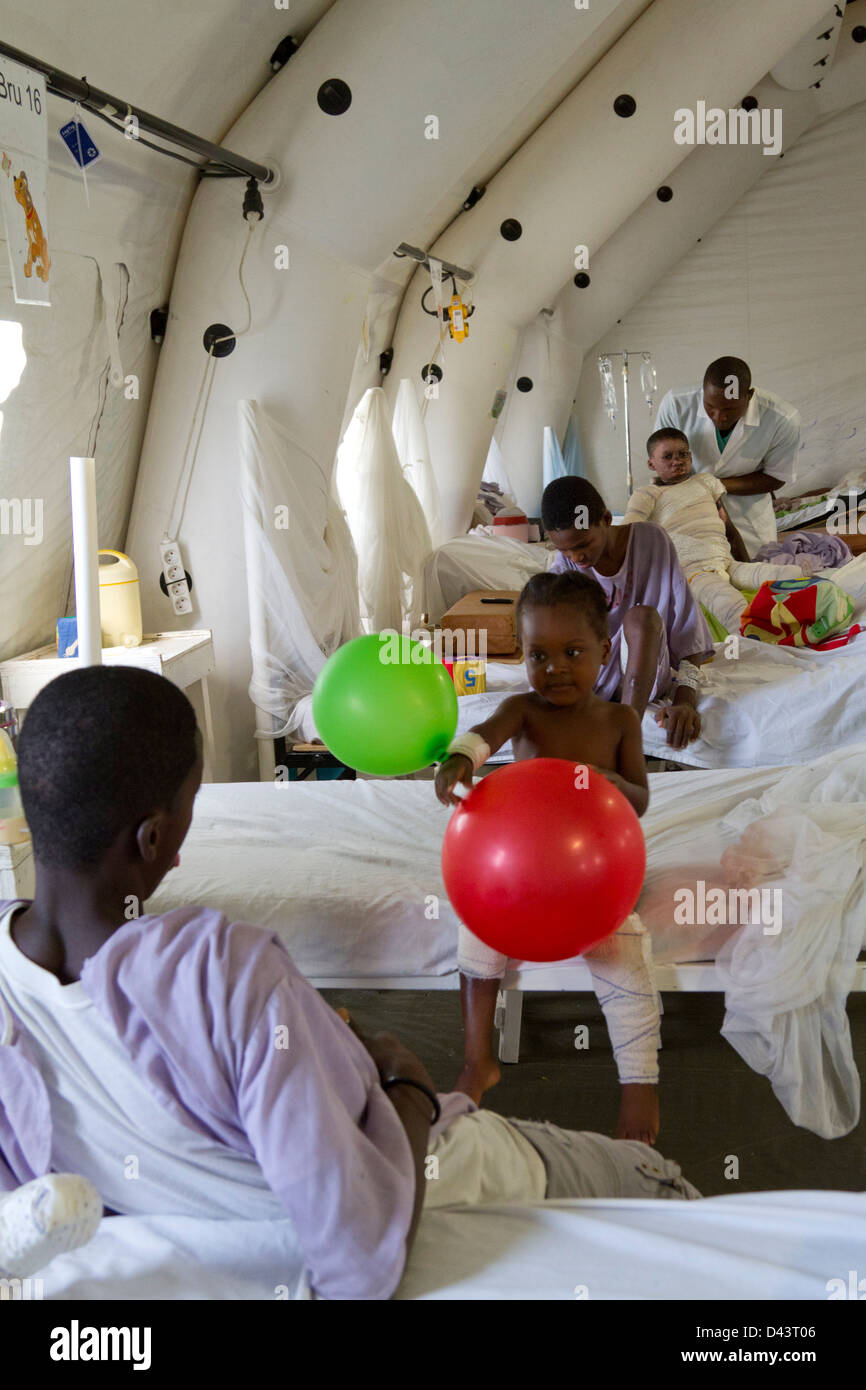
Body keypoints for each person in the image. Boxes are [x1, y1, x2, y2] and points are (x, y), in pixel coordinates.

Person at [0, 668, 700, 1301]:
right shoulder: (224, 972)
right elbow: (358, 1259)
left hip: (244, 1196)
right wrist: (407, 1088)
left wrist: (305, 1038)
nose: (185, 846)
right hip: (438, 1165)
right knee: (652, 1185)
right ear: (154, 839)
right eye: (188, 809)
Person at [436, 570, 662, 1145]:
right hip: (521, 882)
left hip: (595, 883)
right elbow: (483, 735)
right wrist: (459, 761)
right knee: (475, 934)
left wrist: (605, 780)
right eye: (539, 654)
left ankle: (639, 1082)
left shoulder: (619, 721)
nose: (555, 667)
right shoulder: (523, 710)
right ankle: (477, 1057)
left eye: (573, 652)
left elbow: (638, 799)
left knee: (623, 954)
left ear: (606, 652)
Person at [542, 474, 713, 751]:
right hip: (592, 676)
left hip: (643, 671)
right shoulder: (565, 567)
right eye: (565, 550)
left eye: (583, 545)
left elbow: (687, 627)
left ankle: (627, 728)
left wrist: (684, 700)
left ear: (607, 519)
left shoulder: (651, 541)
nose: (577, 558)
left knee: (642, 617)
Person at [625, 429, 809, 635]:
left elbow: (728, 528)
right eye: (667, 456)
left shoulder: (705, 482)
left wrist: (745, 561)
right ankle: (752, 646)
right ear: (651, 464)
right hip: (691, 571)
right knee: (728, 602)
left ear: (690, 456)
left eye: (683, 454)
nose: (677, 461)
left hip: (725, 562)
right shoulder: (648, 494)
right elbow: (627, 534)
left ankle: (810, 614)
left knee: (792, 574)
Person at [655, 356, 800, 558]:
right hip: (688, 517)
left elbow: (776, 477)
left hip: (748, 523)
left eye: (729, 409)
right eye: (710, 407)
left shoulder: (782, 420)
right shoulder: (676, 405)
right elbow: (661, 461)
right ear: (703, 392)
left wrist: (711, 485)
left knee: (752, 579)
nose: (718, 417)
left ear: (749, 396)